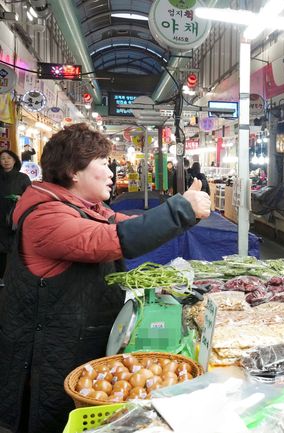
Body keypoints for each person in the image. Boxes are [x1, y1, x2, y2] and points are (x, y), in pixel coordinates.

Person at [0, 123, 211, 433]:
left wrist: (184, 212)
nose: (111, 172)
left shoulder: (86, 207)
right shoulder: (47, 216)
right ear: (74, 171)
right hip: (48, 354)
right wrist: (180, 210)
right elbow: (113, 238)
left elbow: (130, 224)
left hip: (73, 343)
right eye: (102, 163)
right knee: (51, 420)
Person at [0, 150, 31, 281]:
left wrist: (20, 198)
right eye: (3, 158)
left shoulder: (23, 177)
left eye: (9, 158)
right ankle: (2, 276)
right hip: (0, 217)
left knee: (16, 246)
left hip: (16, 217)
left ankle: (16, 276)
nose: (6, 161)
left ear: (14, 160)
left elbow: (31, 196)